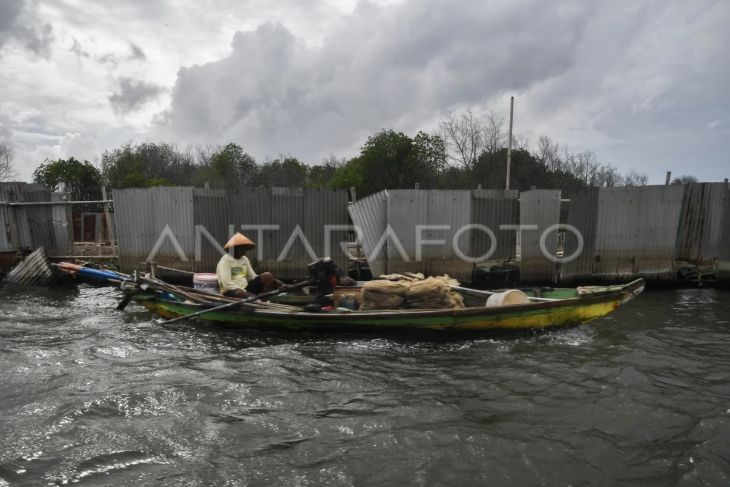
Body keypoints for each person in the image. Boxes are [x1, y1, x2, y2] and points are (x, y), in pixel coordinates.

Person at [216, 232, 281, 298]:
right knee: (240, 293)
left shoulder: (244, 259)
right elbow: (227, 284)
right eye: (242, 249)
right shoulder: (225, 261)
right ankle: (255, 301)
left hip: (245, 288)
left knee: (268, 275)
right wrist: (245, 292)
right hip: (231, 290)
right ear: (234, 249)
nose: (244, 252)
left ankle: (264, 299)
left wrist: (274, 281)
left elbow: (252, 277)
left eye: (245, 249)